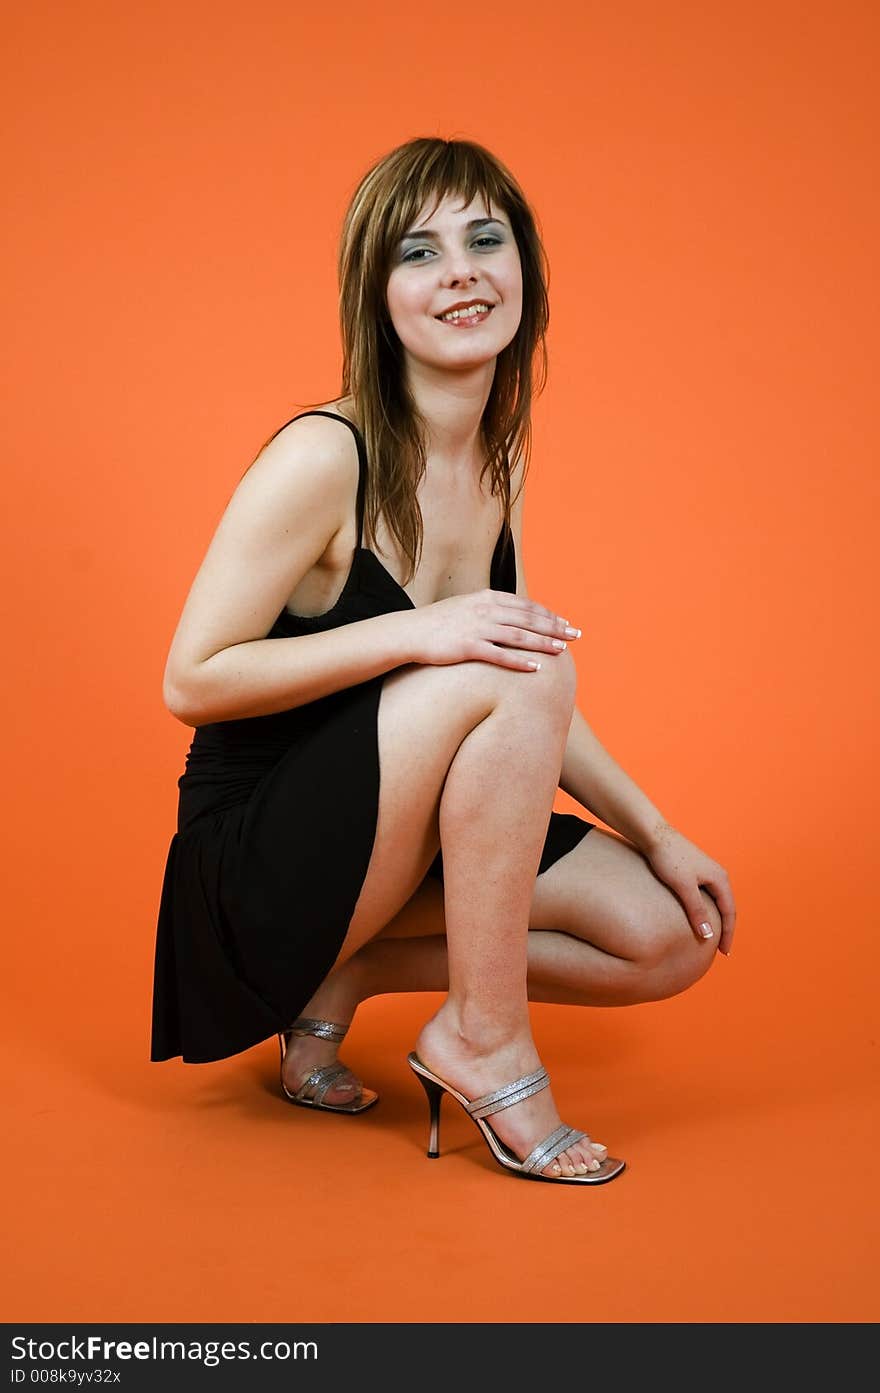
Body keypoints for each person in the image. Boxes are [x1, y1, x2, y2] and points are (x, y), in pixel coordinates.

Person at [151, 136, 736, 1185]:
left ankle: (352, 973)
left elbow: (519, 684)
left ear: (525, 273)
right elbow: (190, 678)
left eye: (484, 238)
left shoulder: (492, 462)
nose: (460, 269)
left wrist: (659, 830)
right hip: (254, 874)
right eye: (418, 253)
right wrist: (417, 631)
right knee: (511, 660)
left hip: (385, 857)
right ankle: (486, 1040)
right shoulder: (324, 456)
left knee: (667, 932)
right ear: (376, 298)